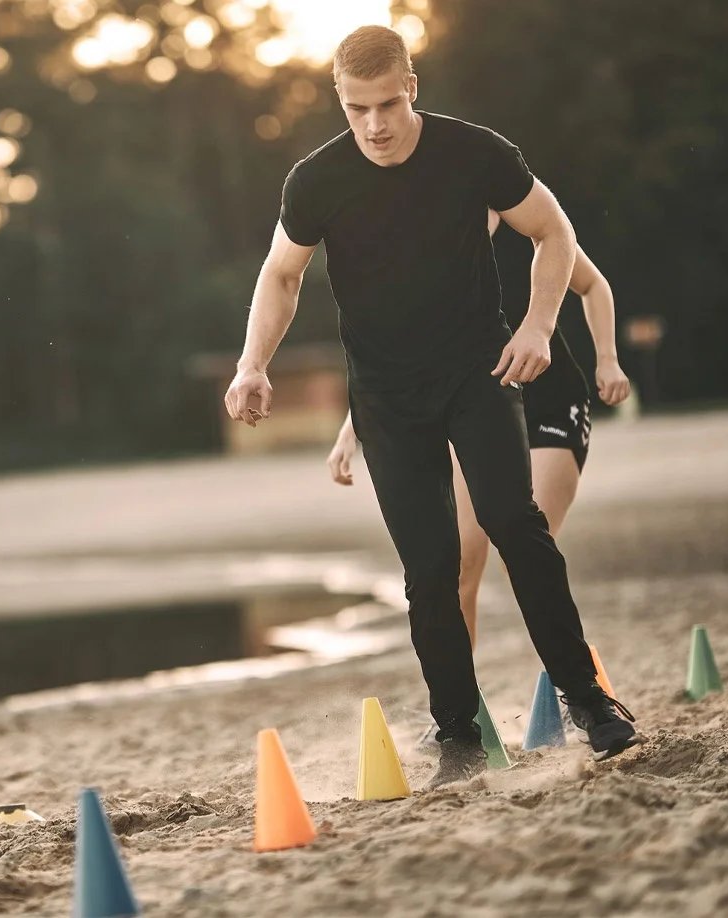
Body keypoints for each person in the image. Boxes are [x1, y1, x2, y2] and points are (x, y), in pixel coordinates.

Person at [224, 26, 638, 787]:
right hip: (386, 399)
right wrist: (254, 364)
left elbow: (552, 231)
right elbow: (281, 276)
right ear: (338, 100)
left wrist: (543, 326)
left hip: (475, 376)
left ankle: (591, 701)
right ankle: (458, 734)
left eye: (387, 103)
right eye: (357, 109)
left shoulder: (475, 152)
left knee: (517, 525)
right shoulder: (316, 180)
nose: (375, 125)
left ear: (411, 85)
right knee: (430, 569)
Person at [327, 213, 632, 651]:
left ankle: (578, 684)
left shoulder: (526, 223)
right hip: (476, 409)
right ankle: (464, 706)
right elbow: (394, 355)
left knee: (524, 549)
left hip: (549, 401)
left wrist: (608, 358)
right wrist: (351, 427)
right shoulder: (424, 252)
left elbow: (593, 285)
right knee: (460, 566)